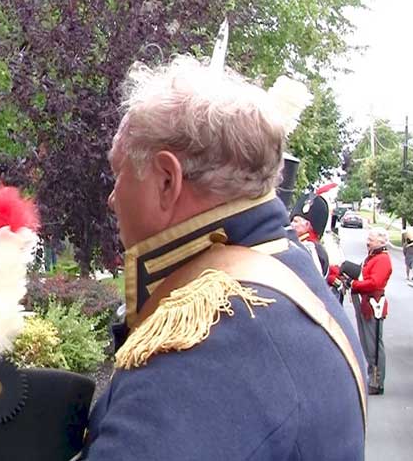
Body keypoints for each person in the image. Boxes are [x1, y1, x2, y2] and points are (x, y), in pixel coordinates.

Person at [82, 56, 366, 460]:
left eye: (119, 173)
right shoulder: (286, 265)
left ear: (167, 181)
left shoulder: (210, 339)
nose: (113, 198)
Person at [349, 227, 392, 395]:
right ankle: (372, 377)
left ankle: (377, 381)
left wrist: (354, 284)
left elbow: (374, 283)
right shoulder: (374, 257)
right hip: (366, 303)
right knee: (367, 345)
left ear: (381, 242)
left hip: (373, 305)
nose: (368, 242)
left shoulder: (382, 259)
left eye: (371, 239)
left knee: (373, 346)